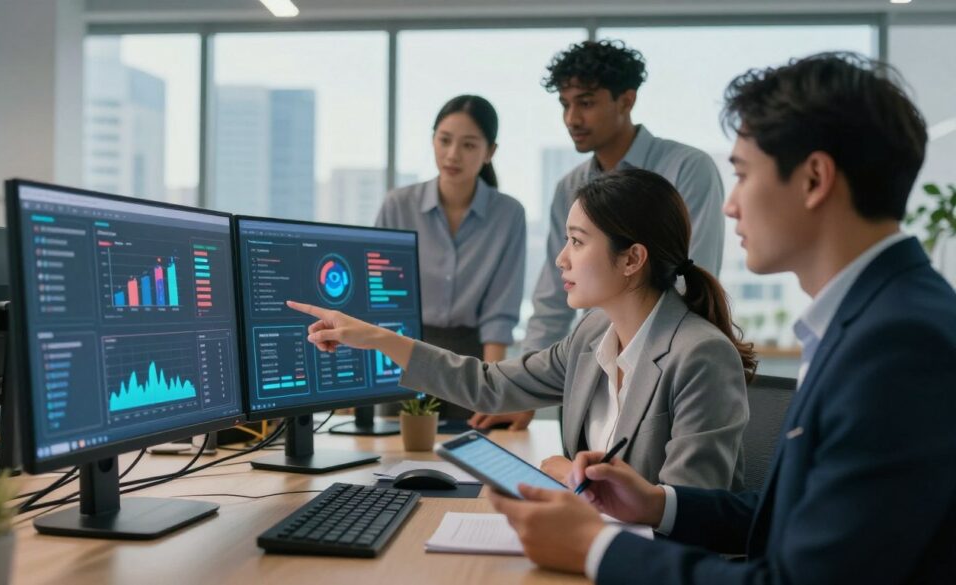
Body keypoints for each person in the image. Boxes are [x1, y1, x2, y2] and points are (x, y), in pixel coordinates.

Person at [487, 52, 956, 584]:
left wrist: (596, 549)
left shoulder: (900, 343)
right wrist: (657, 504)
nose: (730, 206)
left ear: (814, 179)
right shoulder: (873, 319)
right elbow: (793, 522)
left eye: (743, 174)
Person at [290, 168, 756, 490]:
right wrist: (373, 337)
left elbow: (693, 512)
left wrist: (569, 477)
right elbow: (489, 386)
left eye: (577, 241)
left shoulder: (699, 355)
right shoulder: (592, 334)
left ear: (632, 258)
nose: (561, 258)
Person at [482, 39, 727, 430]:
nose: (571, 117)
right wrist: (522, 393)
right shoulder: (570, 187)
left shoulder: (686, 168)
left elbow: (690, 279)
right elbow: (551, 299)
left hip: (665, 374)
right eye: (565, 104)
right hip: (591, 370)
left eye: (586, 102)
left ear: (626, 101)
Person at [374, 95, 527, 427]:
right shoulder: (398, 205)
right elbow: (380, 302)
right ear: (433, 139)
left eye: (469, 145)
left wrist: (492, 390)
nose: (452, 154)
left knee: (470, 459)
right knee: (392, 465)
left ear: (490, 152)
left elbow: (499, 313)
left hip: (471, 359)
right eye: (444, 140)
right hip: (404, 350)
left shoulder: (508, 214)